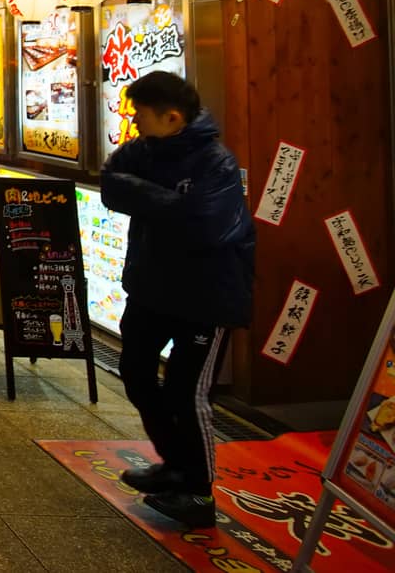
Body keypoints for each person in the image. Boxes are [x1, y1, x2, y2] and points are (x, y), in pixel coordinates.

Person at [101, 71, 254, 529]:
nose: (134, 124)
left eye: (141, 115)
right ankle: (174, 462)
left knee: (188, 393)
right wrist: (170, 203)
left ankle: (198, 490)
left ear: (171, 117)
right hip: (152, 286)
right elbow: (111, 182)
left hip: (207, 295)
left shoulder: (216, 162)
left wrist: (147, 198)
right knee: (135, 373)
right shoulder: (144, 149)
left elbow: (207, 224)